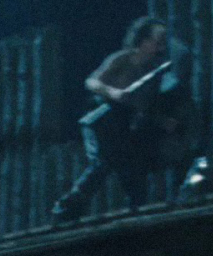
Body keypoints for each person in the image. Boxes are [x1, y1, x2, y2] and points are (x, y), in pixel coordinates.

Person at [51, 16, 189, 224]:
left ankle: (136, 215)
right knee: (102, 164)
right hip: (102, 121)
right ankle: (64, 211)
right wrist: (114, 93)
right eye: (157, 40)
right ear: (143, 40)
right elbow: (92, 82)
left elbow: (144, 107)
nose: (161, 45)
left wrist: (162, 121)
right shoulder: (123, 59)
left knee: (132, 171)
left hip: (122, 126)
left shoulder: (154, 71)